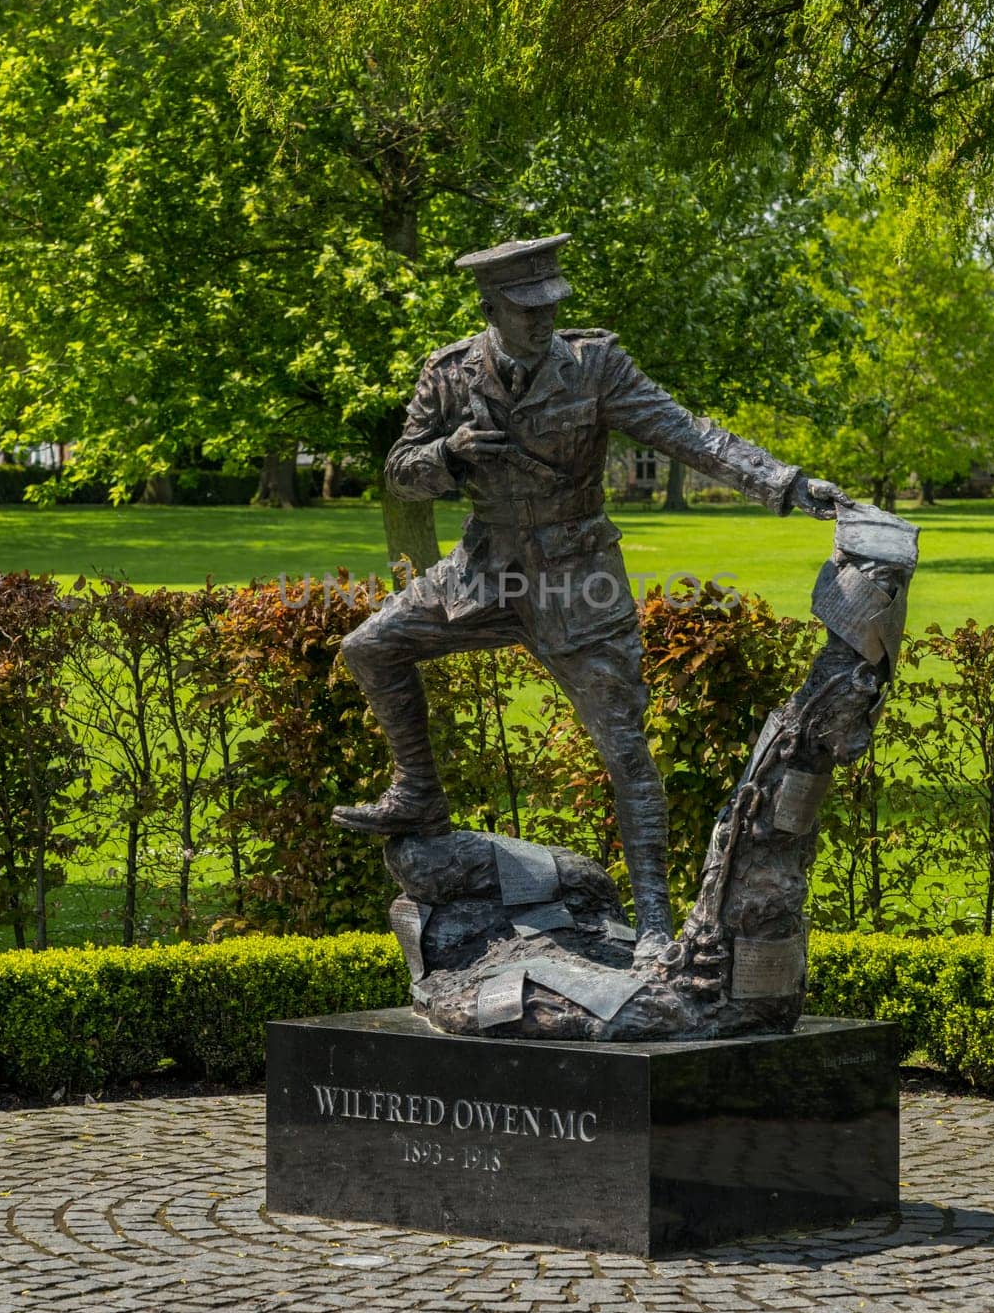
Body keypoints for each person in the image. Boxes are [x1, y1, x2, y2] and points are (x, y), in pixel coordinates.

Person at [333, 234, 841, 962]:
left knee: (624, 751)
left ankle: (658, 925)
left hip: (578, 577)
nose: (542, 318)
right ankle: (418, 791)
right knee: (369, 646)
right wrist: (451, 454)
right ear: (489, 306)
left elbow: (685, 434)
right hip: (483, 571)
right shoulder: (446, 376)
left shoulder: (594, 364)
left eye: (551, 304)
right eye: (524, 306)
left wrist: (786, 485)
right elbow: (401, 472)